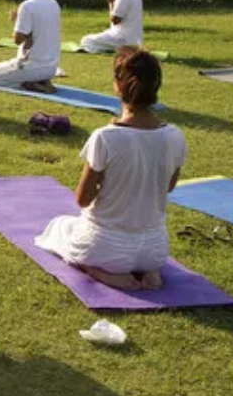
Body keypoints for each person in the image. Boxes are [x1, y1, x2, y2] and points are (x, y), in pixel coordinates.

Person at [33, 48, 185, 290]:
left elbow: (83, 200)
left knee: (58, 227)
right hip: (155, 251)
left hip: (104, 248)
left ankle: (98, 271)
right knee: (118, 241)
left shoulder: (106, 137)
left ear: (118, 85)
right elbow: (168, 187)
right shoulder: (175, 135)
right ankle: (149, 273)